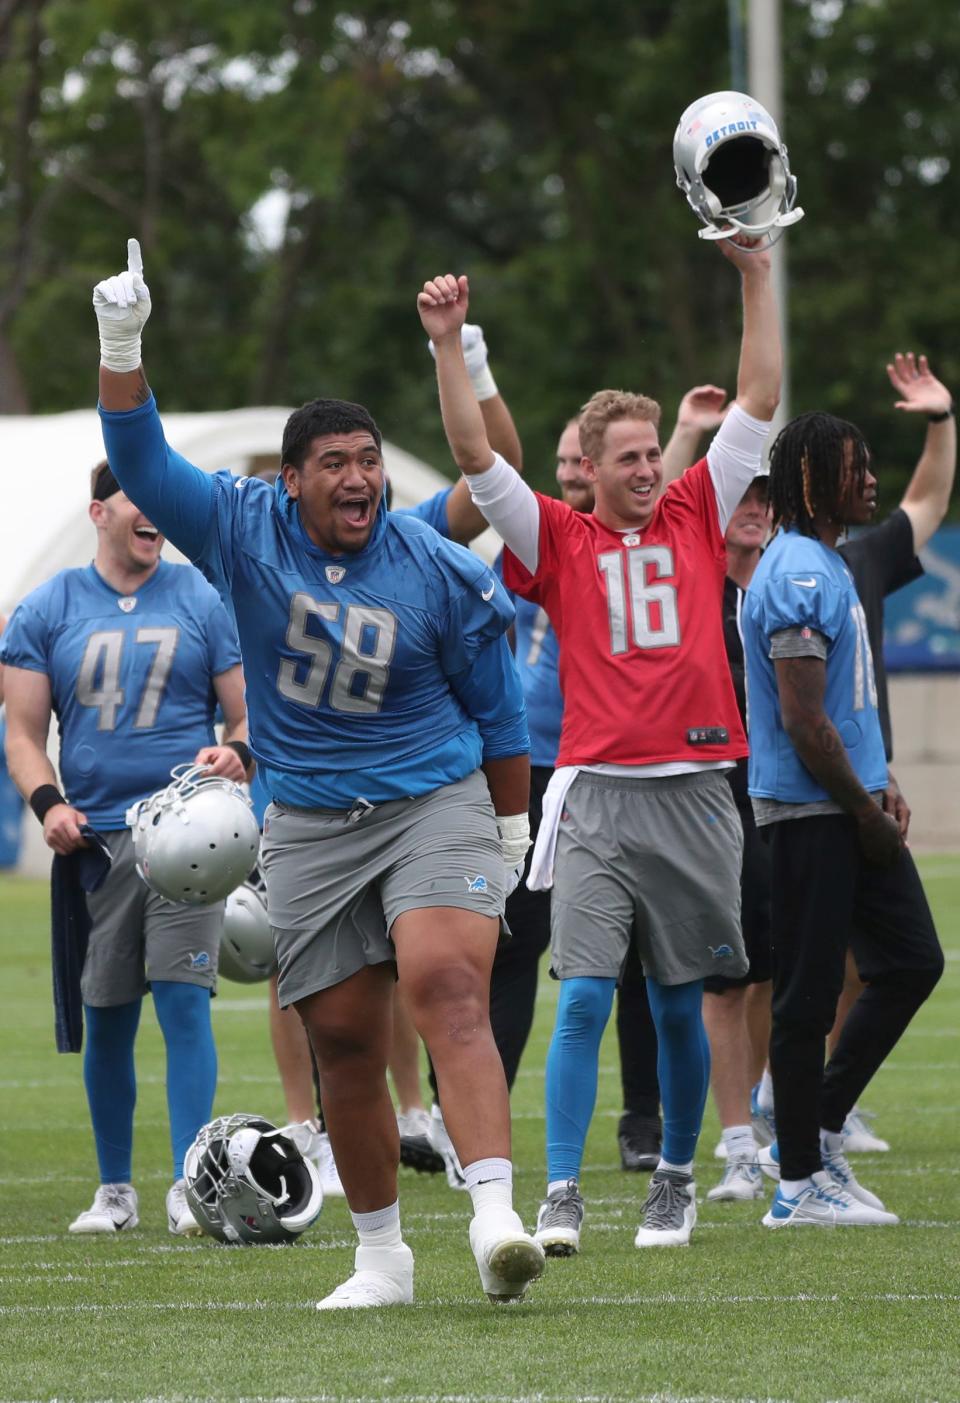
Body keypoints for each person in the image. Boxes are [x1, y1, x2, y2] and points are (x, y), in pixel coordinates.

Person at [92, 239, 545, 1309]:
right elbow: (145, 461)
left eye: (368, 458)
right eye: (334, 461)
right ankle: (382, 1255)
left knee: (446, 985)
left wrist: (511, 828)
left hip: (431, 797)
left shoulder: (429, 558)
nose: (358, 476)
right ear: (289, 478)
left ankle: (494, 1216)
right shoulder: (244, 531)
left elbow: (501, 706)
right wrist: (123, 341)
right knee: (339, 1031)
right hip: (306, 813)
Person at [420, 234, 781, 1252]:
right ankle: (565, 1189)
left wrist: (756, 275)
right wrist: (449, 347)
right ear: (590, 469)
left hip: (699, 787)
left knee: (676, 999)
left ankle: (673, 1174)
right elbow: (475, 460)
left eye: (653, 450)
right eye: (626, 456)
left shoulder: (699, 508)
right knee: (581, 992)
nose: (647, 466)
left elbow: (759, 393)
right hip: (592, 794)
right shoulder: (559, 539)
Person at [1, 459, 250, 1236]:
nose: (152, 516)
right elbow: (23, 731)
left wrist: (235, 752)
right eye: (134, 501)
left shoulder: (204, 598)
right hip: (99, 841)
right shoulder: (48, 605)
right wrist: (48, 805)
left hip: (187, 831)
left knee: (184, 1000)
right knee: (106, 1014)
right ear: (98, 511)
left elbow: (247, 717)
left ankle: (190, 1184)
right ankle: (115, 1188)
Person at [741, 388, 948, 1228]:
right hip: (810, 813)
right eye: (853, 468)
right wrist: (864, 808)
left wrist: (880, 776)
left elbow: (844, 710)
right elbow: (802, 717)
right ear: (807, 476)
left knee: (911, 961)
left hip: (846, 801)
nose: (869, 481)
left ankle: (814, 1124)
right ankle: (796, 1185)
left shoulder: (826, 561)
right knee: (807, 993)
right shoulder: (794, 569)